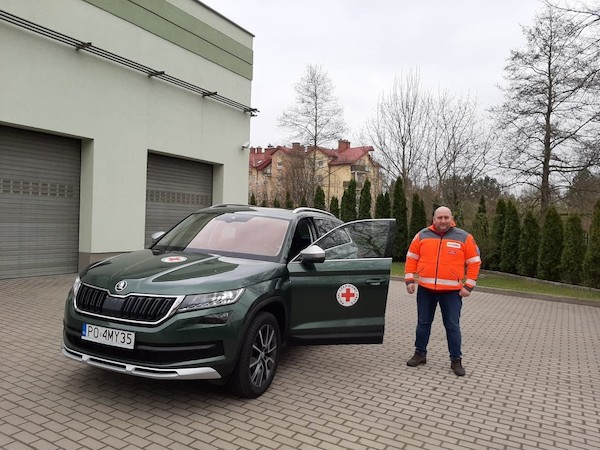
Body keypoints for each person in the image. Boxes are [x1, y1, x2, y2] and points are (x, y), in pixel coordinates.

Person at [404, 206, 481, 376]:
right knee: (423, 323)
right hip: (425, 290)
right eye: (440, 217)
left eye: (446, 217)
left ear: (451, 218)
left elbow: (475, 262)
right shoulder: (422, 235)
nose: (443, 221)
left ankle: (456, 360)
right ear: (434, 218)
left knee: (452, 326)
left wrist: (469, 286)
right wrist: (409, 279)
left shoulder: (464, 237)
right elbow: (411, 258)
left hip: (452, 293)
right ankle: (420, 354)